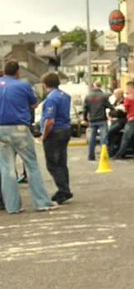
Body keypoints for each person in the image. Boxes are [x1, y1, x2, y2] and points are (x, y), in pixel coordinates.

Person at [0, 61, 56, 213]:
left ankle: (13, 206)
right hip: (19, 127)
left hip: (0, 129)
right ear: (17, 72)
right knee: (31, 165)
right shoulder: (23, 85)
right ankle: (41, 202)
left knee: (6, 168)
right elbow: (34, 104)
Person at [39, 72, 74, 204]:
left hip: (55, 132)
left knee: (53, 164)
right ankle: (65, 188)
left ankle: (63, 190)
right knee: (61, 162)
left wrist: (44, 135)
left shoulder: (51, 99)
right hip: (65, 129)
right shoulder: (65, 95)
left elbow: (50, 120)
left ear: (45, 84)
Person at [83, 82, 111, 161]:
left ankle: (91, 156)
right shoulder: (103, 96)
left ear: (93, 87)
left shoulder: (88, 97)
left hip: (92, 120)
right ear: (100, 87)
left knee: (92, 139)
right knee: (103, 138)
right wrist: (114, 110)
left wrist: (85, 119)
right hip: (102, 119)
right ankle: (103, 155)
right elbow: (108, 106)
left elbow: (85, 109)